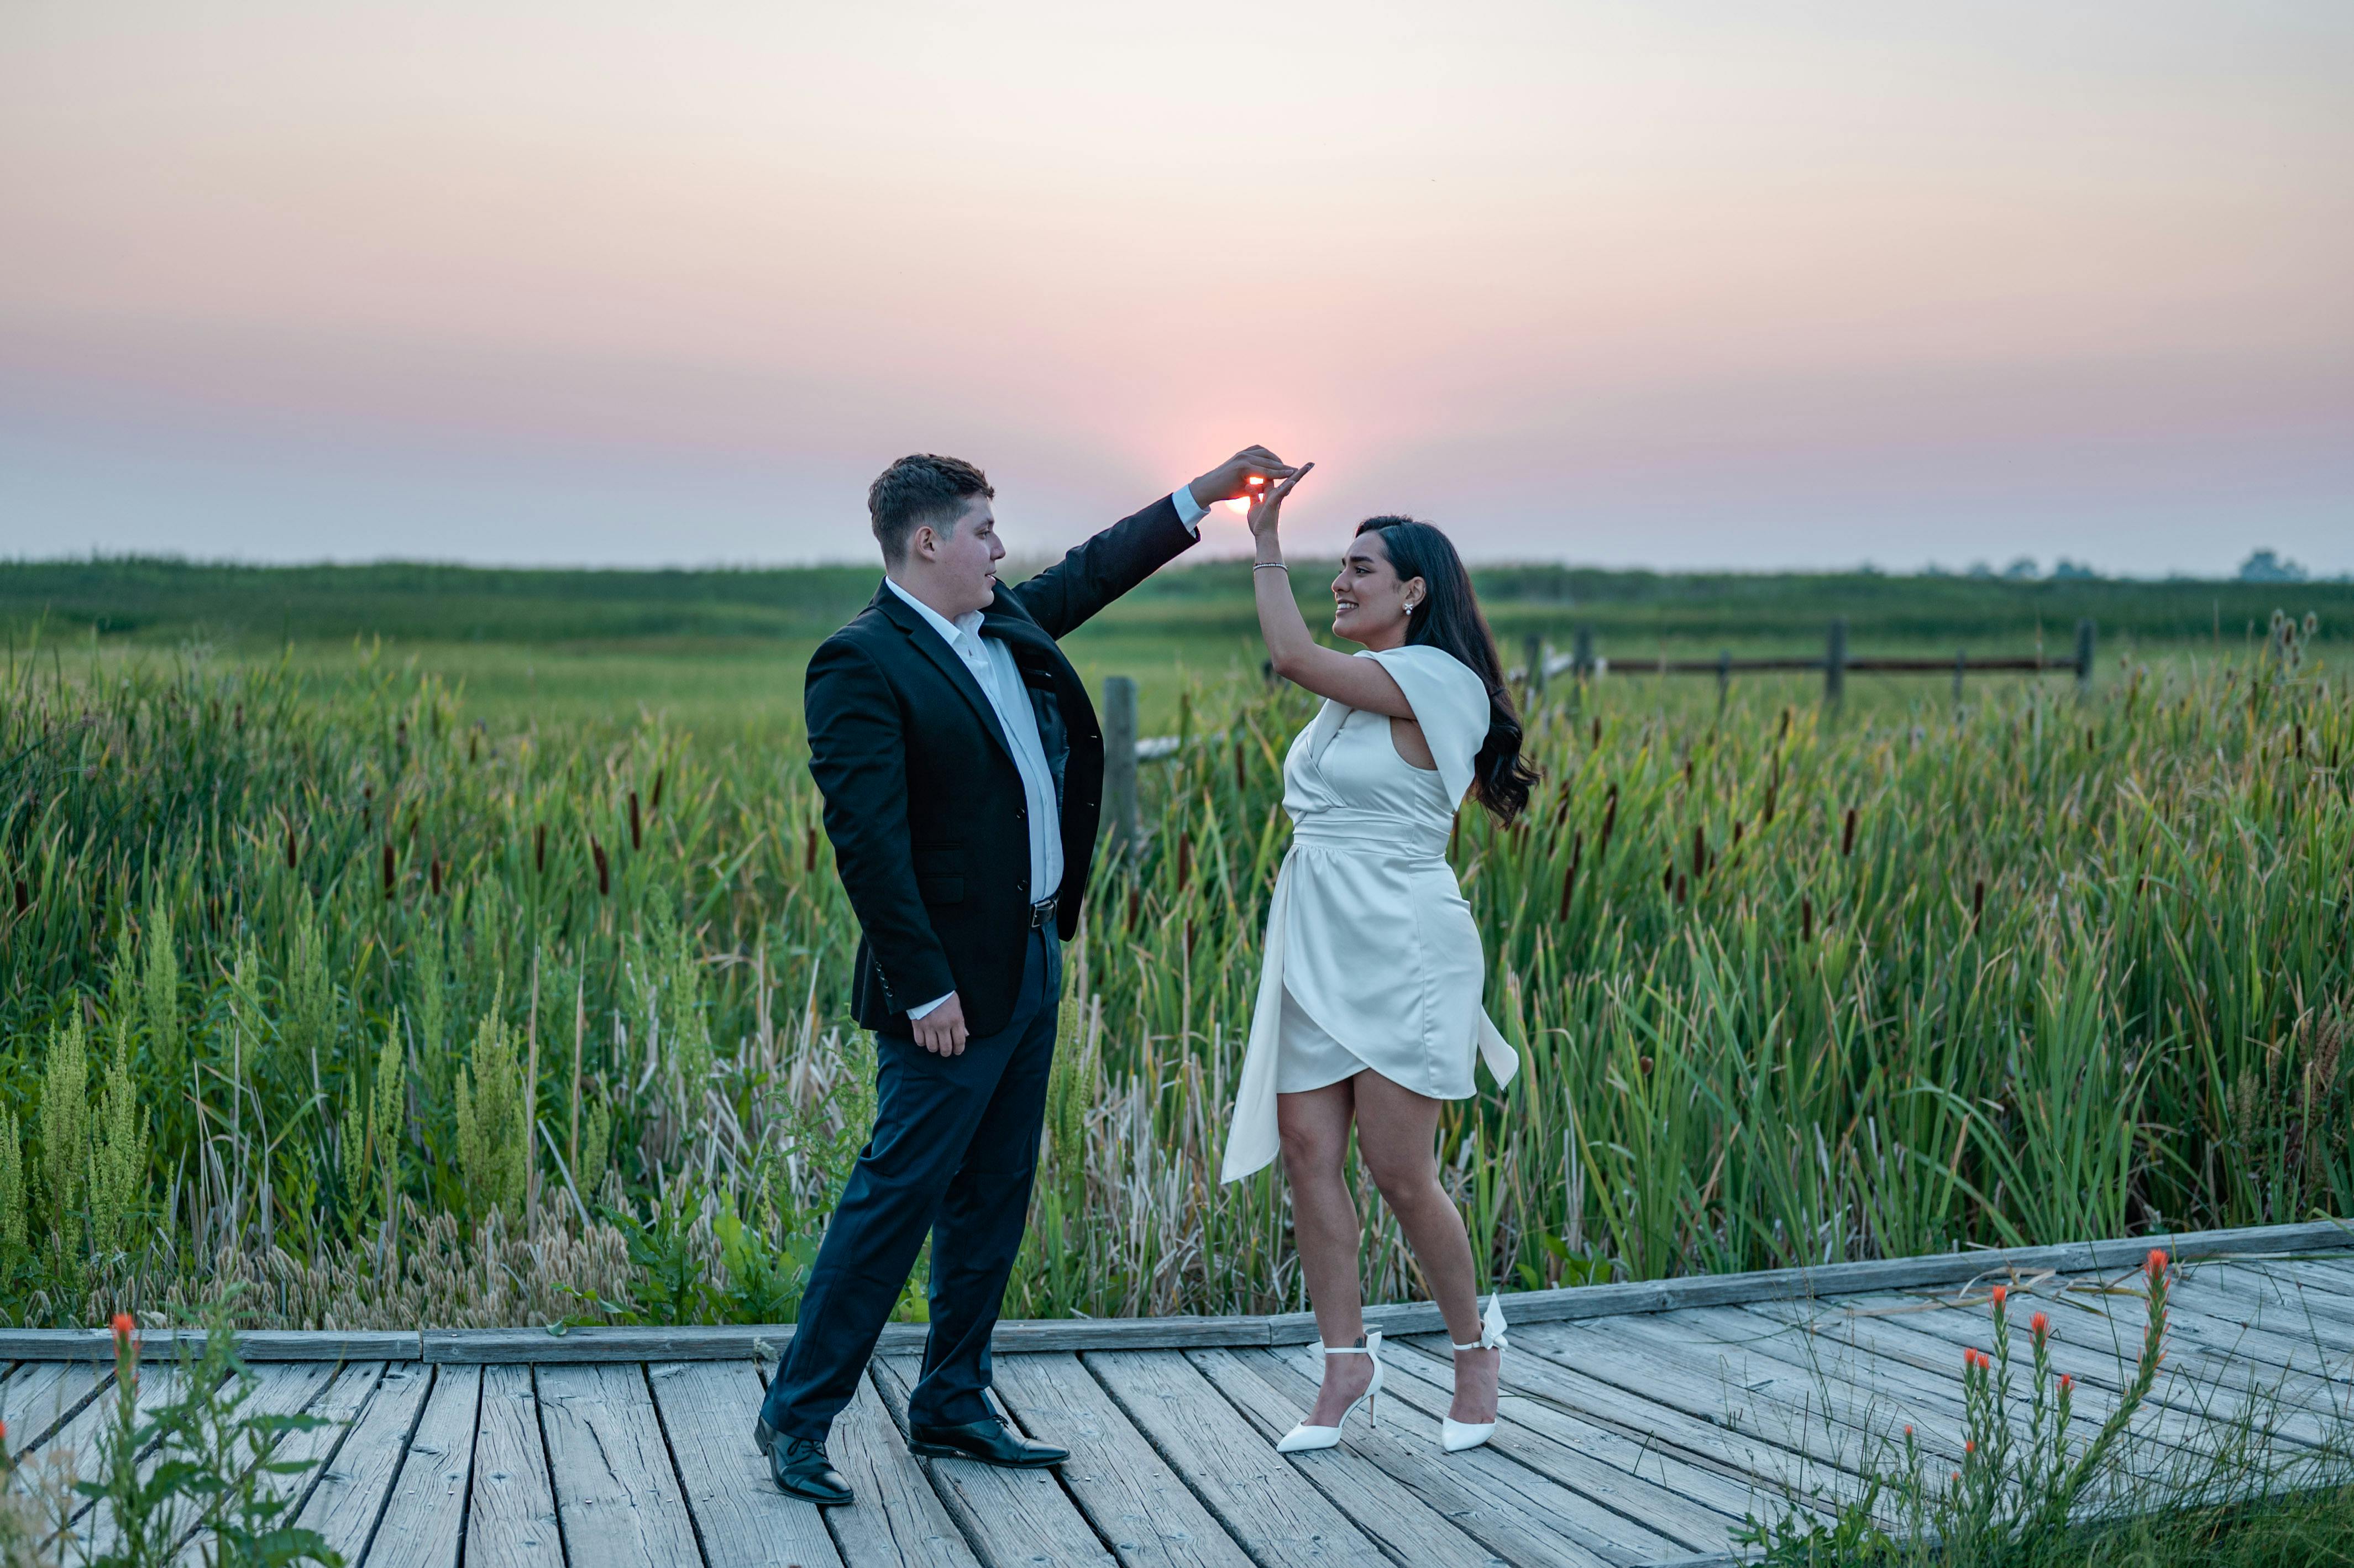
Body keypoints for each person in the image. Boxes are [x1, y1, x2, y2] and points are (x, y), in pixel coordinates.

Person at [757, 445, 1298, 1506]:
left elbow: (1096, 569)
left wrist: (1206, 491)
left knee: (995, 1195)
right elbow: (868, 843)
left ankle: (955, 1400)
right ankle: (797, 1417)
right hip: (946, 994)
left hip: (1035, 958)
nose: (1002, 548)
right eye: (984, 531)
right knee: (894, 1200)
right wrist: (924, 989)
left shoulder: (1004, 621)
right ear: (927, 542)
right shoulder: (859, 662)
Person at [1219, 466, 1537, 1454]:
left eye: (1359, 569)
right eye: (1335, 569)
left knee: (1400, 1170)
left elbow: (1289, 651)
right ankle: (1343, 1361)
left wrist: (1263, 539)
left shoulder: (1440, 684)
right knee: (1310, 1155)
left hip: (1403, 943)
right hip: (1317, 936)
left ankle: (1474, 1348)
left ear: (1414, 592)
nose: (1340, 584)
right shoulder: (1348, 705)